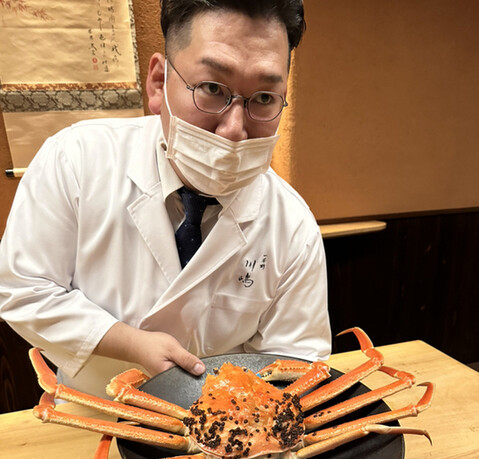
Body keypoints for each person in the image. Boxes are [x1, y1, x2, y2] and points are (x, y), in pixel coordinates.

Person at [0, 0, 331, 397]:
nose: (233, 129)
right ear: (159, 83)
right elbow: (23, 289)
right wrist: (130, 343)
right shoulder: (76, 159)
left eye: (263, 98)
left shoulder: (292, 225)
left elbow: (296, 365)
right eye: (212, 88)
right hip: (93, 409)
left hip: (234, 423)